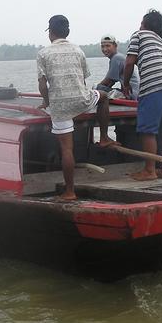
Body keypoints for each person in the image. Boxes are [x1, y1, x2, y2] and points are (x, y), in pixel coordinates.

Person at [37, 15, 117, 201]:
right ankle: (104, 137)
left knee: (67, 149)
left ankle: (70, 192)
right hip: (82, 100)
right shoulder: (78, 51)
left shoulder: (43, 53)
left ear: (51, 33)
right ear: (68, 32)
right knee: (103, 97)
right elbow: (83, 80)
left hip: (60, 106)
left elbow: (43, 85)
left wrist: (46, 101)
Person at [122, 9, 162, 181]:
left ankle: (149, 170)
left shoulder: (139, 35)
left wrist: (125, 82)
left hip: (154, 85)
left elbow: (129, 62)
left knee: (147, 130)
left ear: (144, 25)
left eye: (141, 23)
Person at [95, 35, 140, 100]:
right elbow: (111, 81)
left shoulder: (116, 58)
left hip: (130, 94)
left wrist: (95, 90)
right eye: (102, 46)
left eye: (108, 46)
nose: (105, 49)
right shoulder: (118, 57)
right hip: (133, 92)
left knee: (97, 87)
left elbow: (109, 81)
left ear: (115, 46)